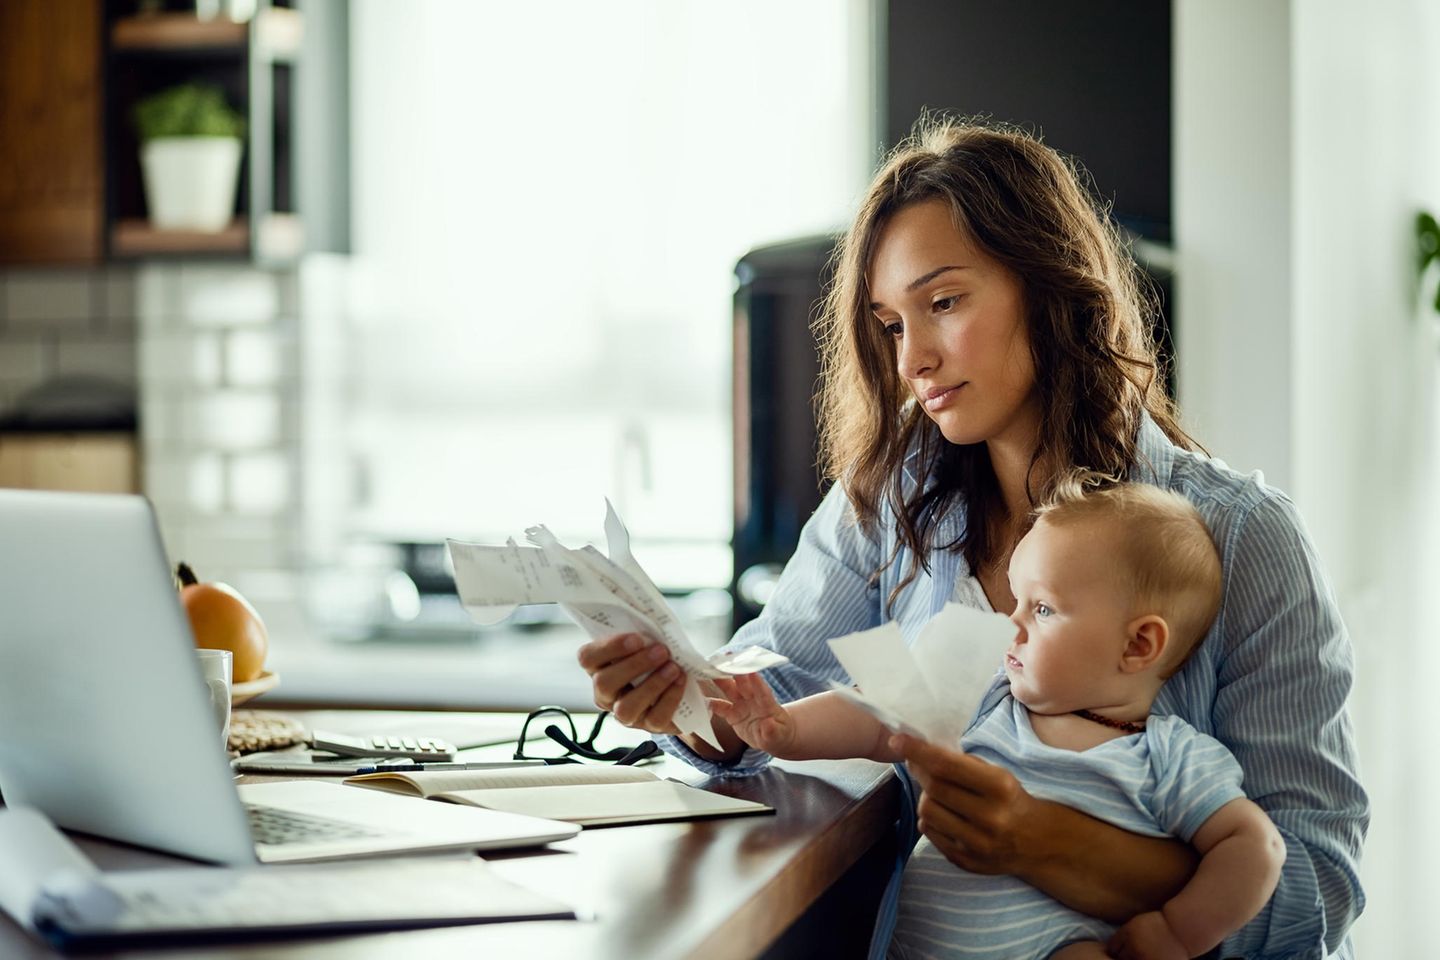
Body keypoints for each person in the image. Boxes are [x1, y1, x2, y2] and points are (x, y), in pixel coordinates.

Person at [575, 117, 1367, 957]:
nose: (913, 358)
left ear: (1048, 286)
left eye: (943, 303)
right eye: (889, 325)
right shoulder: (888, 501)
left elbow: (1314, 892)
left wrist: (1043, 841)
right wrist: (689, 702)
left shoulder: (1241, 537)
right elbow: (771, 685)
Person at [708, 482, 1286, 959]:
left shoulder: (1171, 757)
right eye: (1014, 602)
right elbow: (877, 715)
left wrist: (1177, 932)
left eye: (1041, 609)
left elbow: (1255, 845)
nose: (1010, 626)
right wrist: (786, 728)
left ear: (1138, 645)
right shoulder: (989, 700)